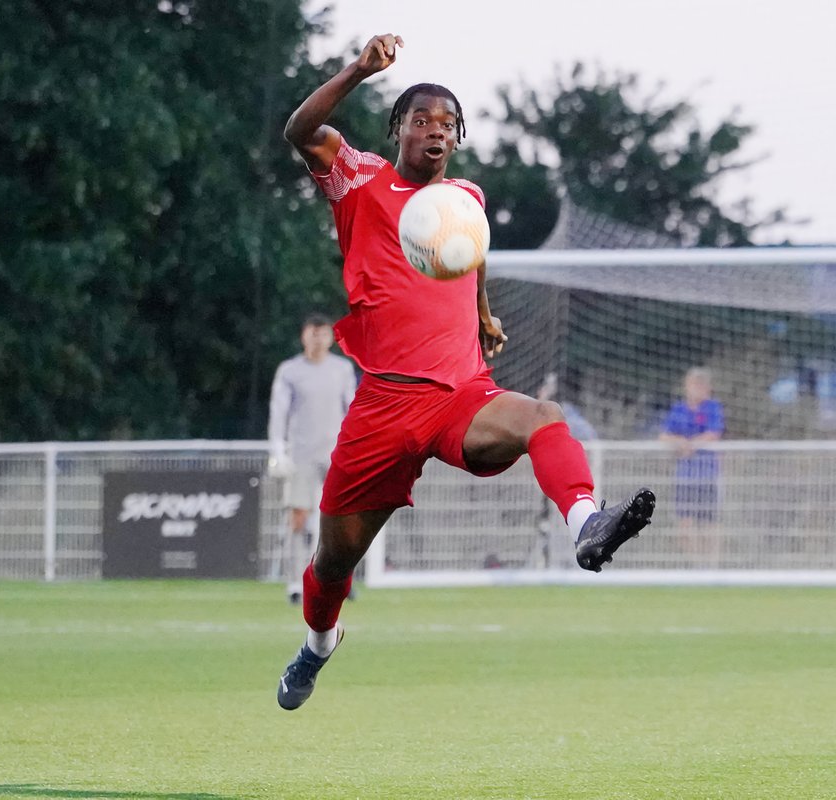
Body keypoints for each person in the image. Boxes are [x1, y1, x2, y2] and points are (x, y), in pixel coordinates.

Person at [275, 33, 655, 711]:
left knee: (544, 417)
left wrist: (482, 310)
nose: (436, 131)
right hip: (382, 409)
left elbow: (471, 253)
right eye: (422, 119)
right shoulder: (357, 177)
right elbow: (299, 129)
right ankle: (319, 643)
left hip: (460, 395)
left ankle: (588, 526)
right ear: (398, 129)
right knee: (334, 563)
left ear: (457, 141)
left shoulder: (466, 198)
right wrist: (361, 68)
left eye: (448, 124)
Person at [267, 313, 358, 604]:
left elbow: (352, 408)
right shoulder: (290, 370)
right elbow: (279, 411)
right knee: (298, 516)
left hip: (336, 453)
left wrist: (357, 447)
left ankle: (340, 579)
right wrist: (278, 450)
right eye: (313, 333)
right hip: (302, 453)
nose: (319, 339)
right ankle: (296, 581)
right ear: (304, 335)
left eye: (324, 333)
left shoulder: (342, 369)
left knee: (342, 519)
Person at [659, 367, 725, 565]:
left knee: (709, 524)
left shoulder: (713, 408)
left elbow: (714, 434)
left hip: (707, 474)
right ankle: (695, 564)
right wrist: (680, 442)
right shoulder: (679, 409)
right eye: (693, 385)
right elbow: (664, 435)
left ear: (707, 388)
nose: (697, 389)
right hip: (685, 476)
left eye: (701, 385)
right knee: (685, 526)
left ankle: (711, 566)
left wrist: (692, 444)